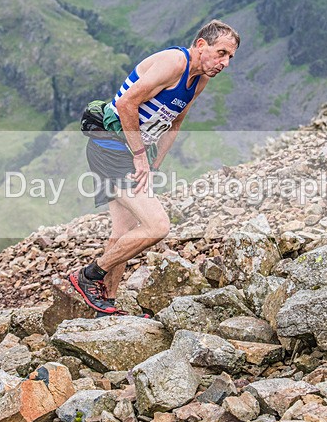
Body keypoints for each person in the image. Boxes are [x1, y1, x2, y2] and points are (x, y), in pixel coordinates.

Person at [70, 19, 240, 316]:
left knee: (123, 231)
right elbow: (125, 104)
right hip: (110, 146)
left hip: (132, 152)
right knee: (157, 226)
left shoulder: (199, 80)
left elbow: (175, 119)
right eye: (221, 52)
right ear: (201, 45)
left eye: (230, 57)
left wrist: (155, 162)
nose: (225, 62)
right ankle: (88, 277)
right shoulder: (174, 63)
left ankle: (105, 304)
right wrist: (139, 156)